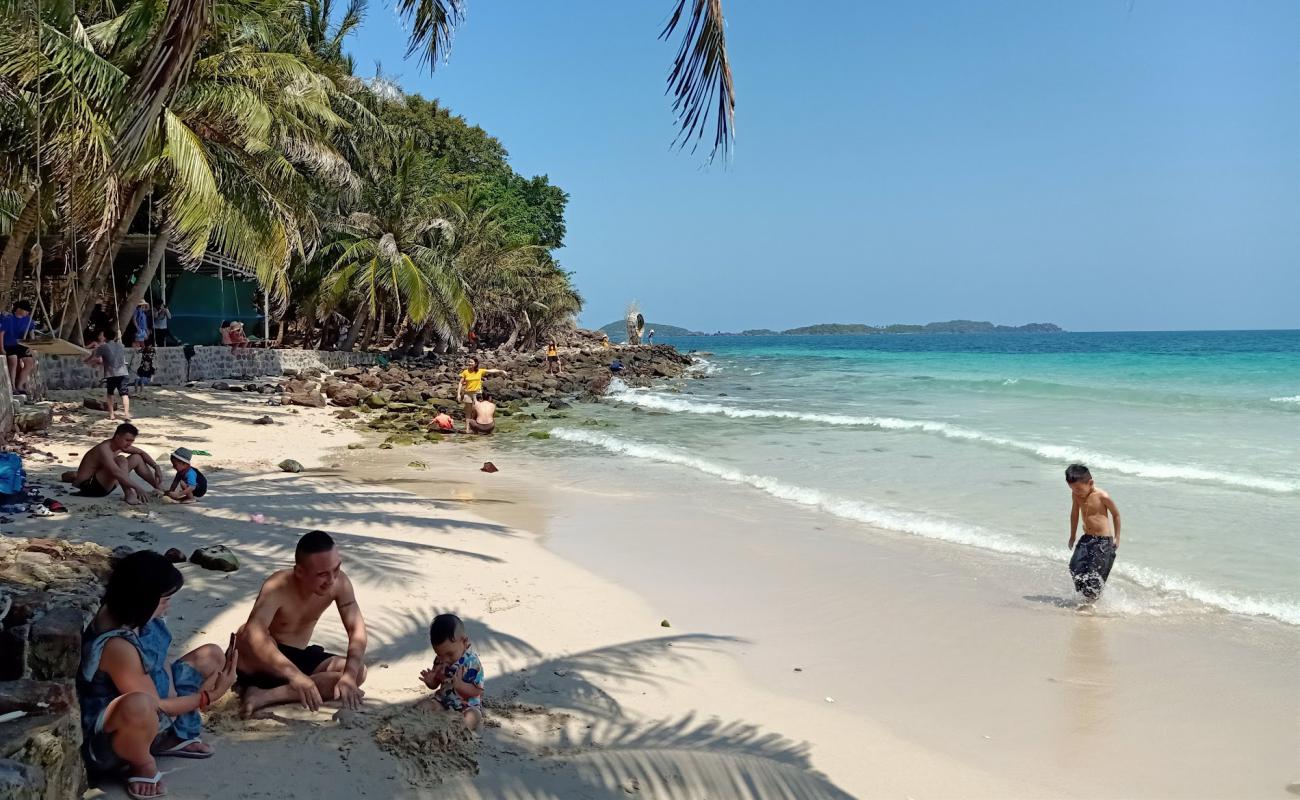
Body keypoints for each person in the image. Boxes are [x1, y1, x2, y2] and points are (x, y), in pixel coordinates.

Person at [78, 550, 239, 799]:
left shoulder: (134, 616)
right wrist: (210, 695)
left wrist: (174, 685)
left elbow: (159, 658)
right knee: (140, 705)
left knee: (212, 656)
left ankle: (172, 737)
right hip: (116, 736)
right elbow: (156, 706)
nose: (168, 605)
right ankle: (142, 763)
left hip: (158, 703)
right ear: (143, 599)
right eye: (164, 599)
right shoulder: (116, 647)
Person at [234, 530, 368, 717]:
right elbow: (253, 634)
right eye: (322, 574)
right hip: (261, 660)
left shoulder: (340, 582)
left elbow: (357, 629)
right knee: (249, 635)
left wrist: (349, 676)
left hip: (298, 657)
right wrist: (295, 675)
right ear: (299, 572)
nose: (331, 580)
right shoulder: (278, 585)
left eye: (336, 569)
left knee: (357, 672)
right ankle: (289, 685)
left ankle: (264, 696)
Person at [61, 423, 164, 504]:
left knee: (136, 457)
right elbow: (116, 472)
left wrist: (156, 467)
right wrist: (137, 488)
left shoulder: (119, 446)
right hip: (89, 487)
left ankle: (158, 487)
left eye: (131, 441)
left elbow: (141, 452)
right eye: (127, 440)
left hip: (103, 485)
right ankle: (129, 495)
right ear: (117, 437)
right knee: (121, 459)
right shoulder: (104, 449)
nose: (129, 444)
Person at [1065, 464, 1123, 604]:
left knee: (1095, 574)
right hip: (1087, 538)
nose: (1076, 492)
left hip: (1103, 542)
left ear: (1090, 483)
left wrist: (1117, 537)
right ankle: (1084, 598)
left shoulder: (1102, 496)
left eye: (1079, 489)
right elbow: (1074, 514)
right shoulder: (1076, 495)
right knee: (1075, 567)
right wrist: (1072, 535)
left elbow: (1116, 515)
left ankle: (1090, 603)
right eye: (1072, 489)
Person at [419, 614, 484, 730]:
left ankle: (459, 730)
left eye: (450, 654)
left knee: (473, 716)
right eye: (439, 654)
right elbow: (435, 684)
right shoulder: (441, 660)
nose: (445, 659)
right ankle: (417, 721)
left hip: (467, 705)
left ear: (464, 642)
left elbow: (477, 691)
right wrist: (431, 681)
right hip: (443, 701)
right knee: (425, 704)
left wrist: (460, 686)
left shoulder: (472, 663)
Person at [85, 328, 132, 420]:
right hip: (123, 372)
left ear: (105, 337)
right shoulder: (121, 345)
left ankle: (111, 415)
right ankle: (126, 414)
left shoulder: (103, 347)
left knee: (110, 394)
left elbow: (96, 358)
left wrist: (88, 362)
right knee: (124, 394)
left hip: (111, 373)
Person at [457, 358, 506, 433]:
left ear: (475, 364)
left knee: (479, 411)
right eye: (469, 362)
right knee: (468, 413)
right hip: (468, 394)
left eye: (471, 362)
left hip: (477, 394)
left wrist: (501, 371)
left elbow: (491, 371)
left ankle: (479, 427)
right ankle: (467, 429)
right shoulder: (465, 372)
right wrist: (459, 394)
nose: (469, 363)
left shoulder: (480, 371)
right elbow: (461, 383)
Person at [2, 300, 38, 395]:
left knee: (30, 362)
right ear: (18, 309)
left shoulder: (29, 320)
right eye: (25, 310)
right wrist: (1, 348)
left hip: (21, 344)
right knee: (13, 361)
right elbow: (1, 334)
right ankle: (12, 387)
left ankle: (20, 385)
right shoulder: (8, 319)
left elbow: (32, 335)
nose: (27, 312)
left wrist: (31, 347)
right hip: (9, 345)